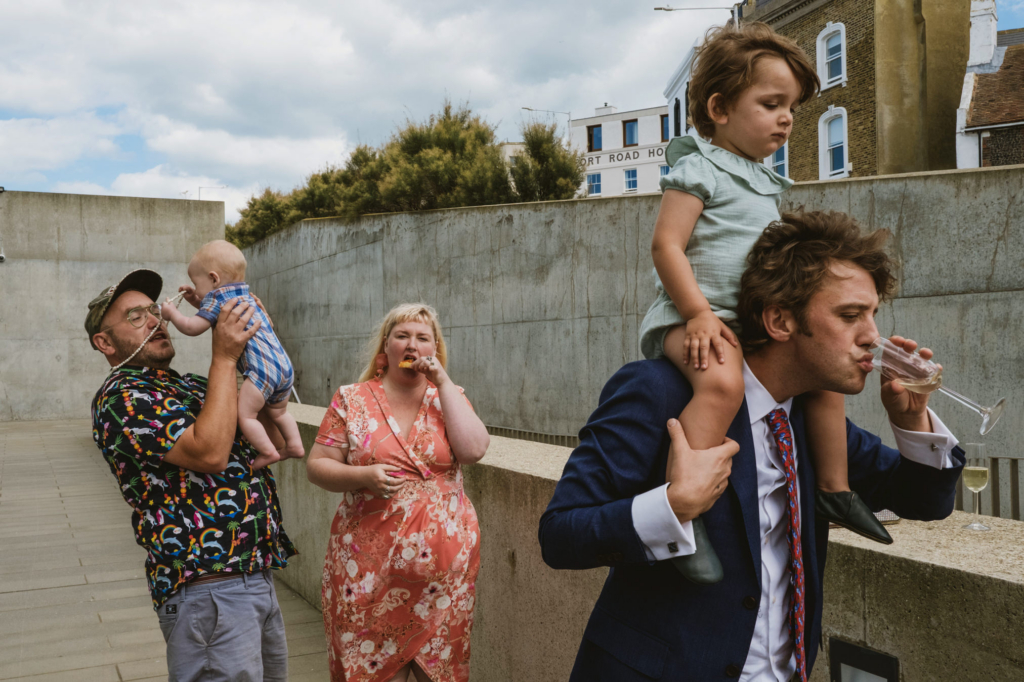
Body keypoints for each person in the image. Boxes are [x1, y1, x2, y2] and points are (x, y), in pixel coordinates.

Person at [539, 211, 964, 681]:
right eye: (849, 315)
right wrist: (673, 506)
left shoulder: (815, 428)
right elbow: (560, 535)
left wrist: (912, 421)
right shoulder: (658, 392)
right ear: (780, 320)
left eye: (872, 315)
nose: (872, 337)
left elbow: (924, 501)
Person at [639, 22, 889, 584]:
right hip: (692, 319)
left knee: (823, 381)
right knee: (722, 384)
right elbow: (666, 245)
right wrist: (698, 312)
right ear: (721, 108)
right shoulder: (697, 167)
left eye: (793, 108)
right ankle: (686, 511)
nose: (786, 118)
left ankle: (833, 490)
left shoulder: (766, 181)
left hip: (748, 321)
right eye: (771, 103)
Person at [88, 269, 297, 682]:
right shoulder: (122, 399)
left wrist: (262, 343)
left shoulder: (192, 386)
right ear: (105, 342)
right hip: (207, 591)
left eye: (154, 310)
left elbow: (267, 434)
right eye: (135, 317)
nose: (155, 320)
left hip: (254, 577)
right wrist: (224, 356)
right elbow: (210, 453)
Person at [306, 303, 489, 682]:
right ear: (384, 348)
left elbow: (473, 451)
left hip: (442, 579)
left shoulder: (449, 396)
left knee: (438, 674)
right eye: (402, 335)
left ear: (435, 350)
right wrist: (363, 476)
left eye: (424, 338)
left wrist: (443, 383)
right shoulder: (351, 399)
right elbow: (318, 465)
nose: (412, 344)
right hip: (367, 573)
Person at [161, 239, 304, 467]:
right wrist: (197, 301)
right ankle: (295, 445)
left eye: (196, 283)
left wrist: (171, 314)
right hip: (283, 366)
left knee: (246, 415)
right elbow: (216, 315)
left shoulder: (217, 298)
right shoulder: (247, 296)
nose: (196, 288)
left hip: (261, 372)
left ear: (213, 278)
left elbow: (192, 327)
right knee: (279, 413)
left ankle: (268, 452)